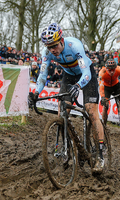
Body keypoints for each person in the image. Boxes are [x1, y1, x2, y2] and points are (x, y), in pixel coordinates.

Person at [29, 22, 105, 173]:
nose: (52, 50)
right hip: (68, 76)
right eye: (49, 47)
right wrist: (36, 93)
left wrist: (78, 86)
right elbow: (43, 75)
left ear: (61, 40)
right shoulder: (47, 53)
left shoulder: (75, 46)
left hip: (86, 74)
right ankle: (66, 149)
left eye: (54, 46)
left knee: (91, 112)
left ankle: (100, 155)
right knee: (62, 112)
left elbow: (87, 73)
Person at [99, 59, 120, 125]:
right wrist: (103, 97)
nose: (112, 72)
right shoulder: (102, 73)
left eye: (113, 70)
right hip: (106, 88)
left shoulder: (118, 69)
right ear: (106, 68)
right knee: (105, 106)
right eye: (109, 70)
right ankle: (104, 124)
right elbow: (101, 87)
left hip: (116, 86)